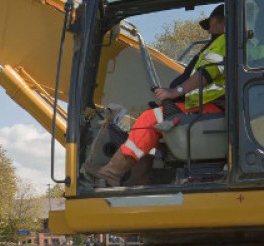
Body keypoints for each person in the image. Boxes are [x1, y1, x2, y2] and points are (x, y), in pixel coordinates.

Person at [86, 4, 226, 187]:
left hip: (211, 107)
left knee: (148, 119)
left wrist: (175, 92)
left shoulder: (223, 41)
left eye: (210, 24)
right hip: (204, 105)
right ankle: (140, 177)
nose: (209, 30)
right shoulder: (220, 43)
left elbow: (206, 75)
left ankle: (113, 171)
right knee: (152, 123)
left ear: (217, 22)